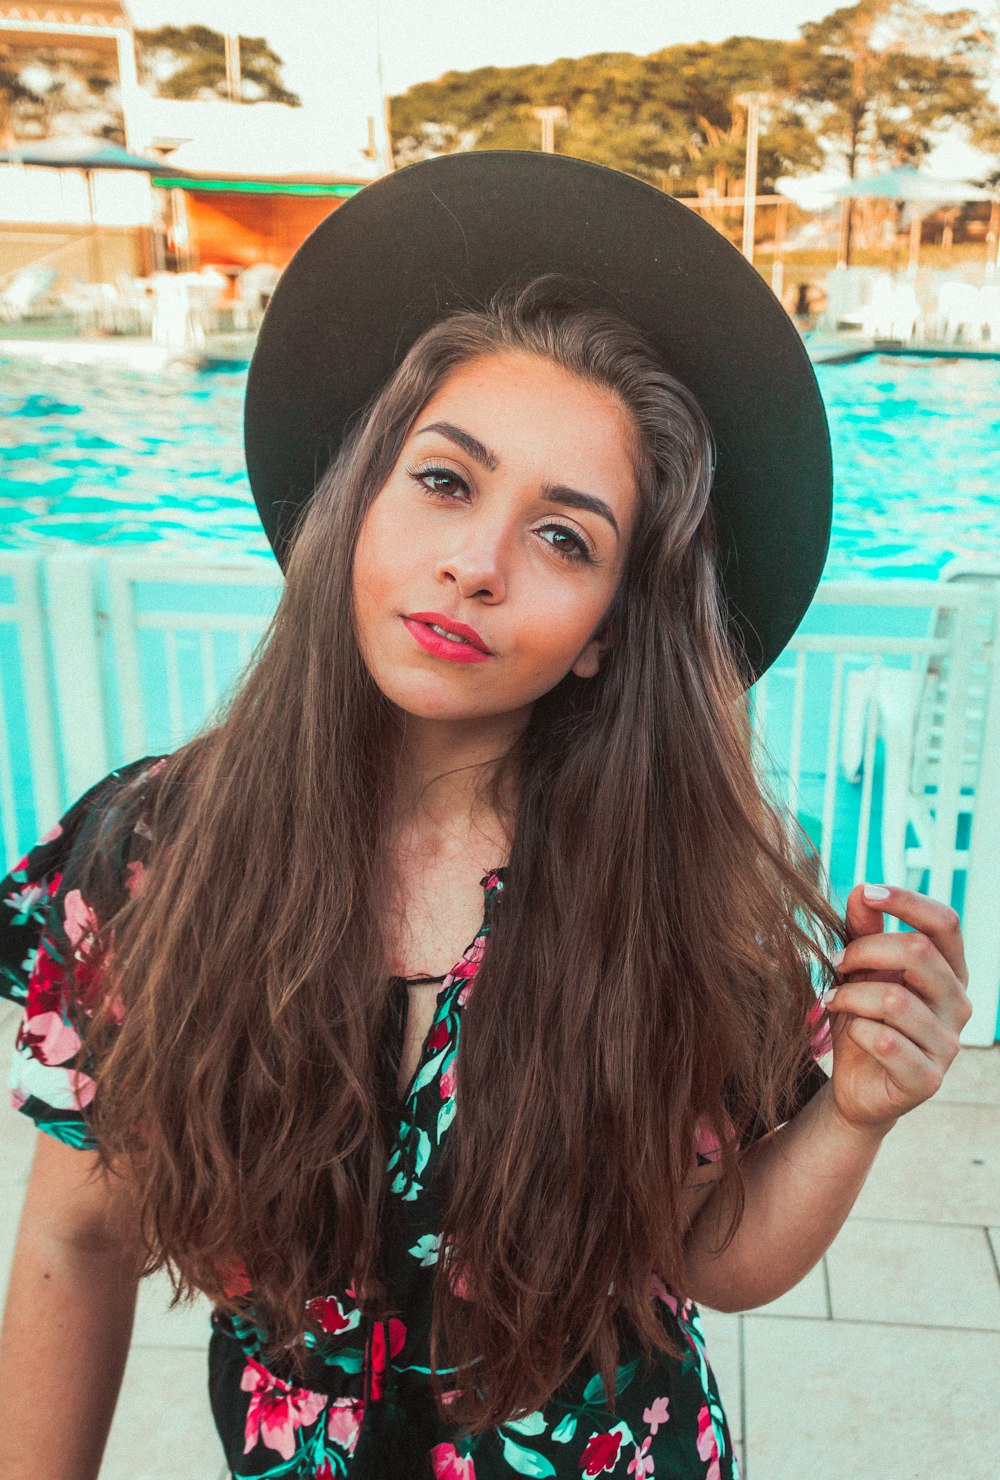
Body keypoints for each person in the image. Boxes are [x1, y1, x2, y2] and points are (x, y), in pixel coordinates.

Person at [0, 153, 971, 1479]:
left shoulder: (672, 893)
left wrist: (855, 1114)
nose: (478, 563)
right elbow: (74, 1239)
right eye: (445, 482)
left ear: (600, 637)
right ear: (358, 504)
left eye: (565, 539)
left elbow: (710, 1259)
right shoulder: (153, 858)